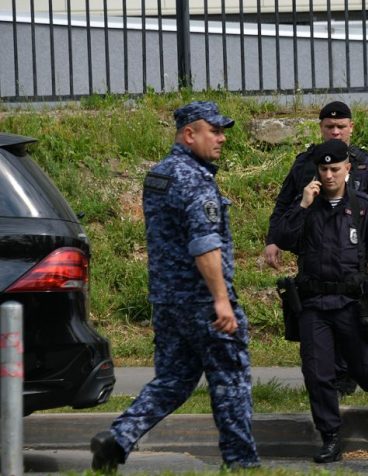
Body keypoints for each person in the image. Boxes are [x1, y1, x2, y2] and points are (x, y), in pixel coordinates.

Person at [90, 101, 259, 471]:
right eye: (213, 131)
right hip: (202, 301)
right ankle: (242, 462)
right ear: (189, 134)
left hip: (167, 300)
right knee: (230, 382)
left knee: (174, 379)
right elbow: (204, 245)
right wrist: (221, 301)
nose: (222, 138)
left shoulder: (160, 175)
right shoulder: (194, 180)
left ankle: (118, 439)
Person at [273, 139, 368, 463]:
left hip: (350, 302)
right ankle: (331, 435)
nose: (329, 175)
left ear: (348, 168)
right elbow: (283, 238)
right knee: (317, 373)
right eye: (324, 169)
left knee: (363, 366)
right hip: (314, 303)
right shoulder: (306, 206)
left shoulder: (363, 207)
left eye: (335, 168)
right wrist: (302, 205)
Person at [264, 100, 368, 396]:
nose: (336, 132)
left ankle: (357, 376)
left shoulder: (367, 164)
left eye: (341, 126)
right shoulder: (305, 164)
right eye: (330, 127)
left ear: (351, 127)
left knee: (352, 317)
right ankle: (332, 379)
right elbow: (284, 202)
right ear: (321, 128)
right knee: (319, 312)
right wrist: (273, 240)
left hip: (355, 254)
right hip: (314, 250)